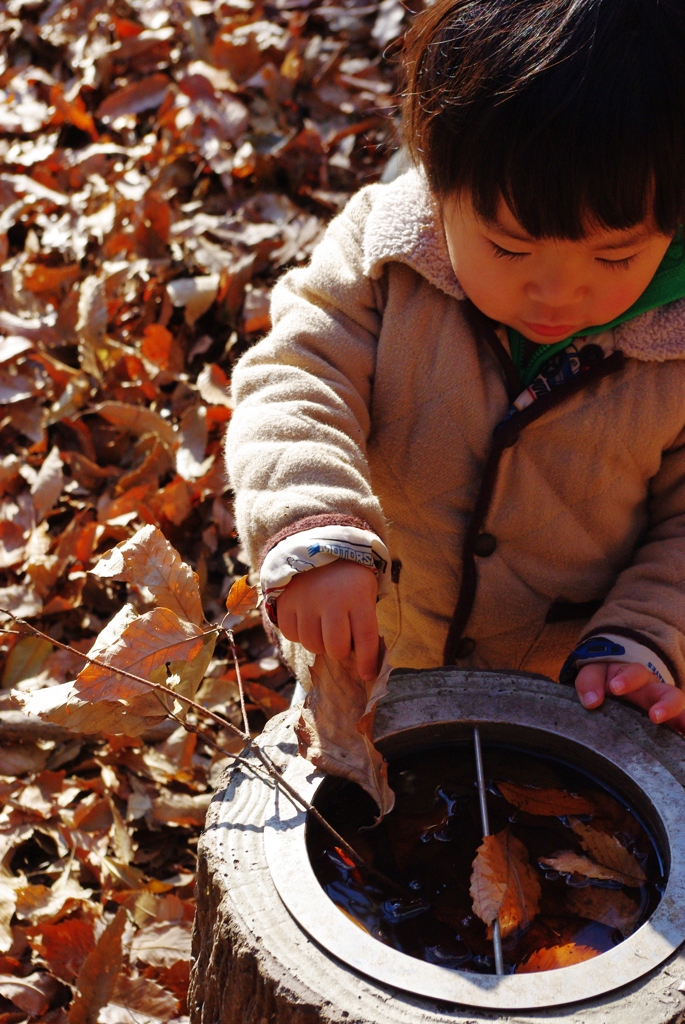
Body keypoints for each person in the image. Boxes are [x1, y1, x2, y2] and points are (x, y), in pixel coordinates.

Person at [225, 0, 685, 732]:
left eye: (614, 256)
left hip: (563, 698)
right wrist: (312, 525)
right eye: (507, 247)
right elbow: (294, 377)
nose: (558, 291)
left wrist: (647, 634)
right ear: (440, 181)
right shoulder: (386, 259)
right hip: (378, 652)